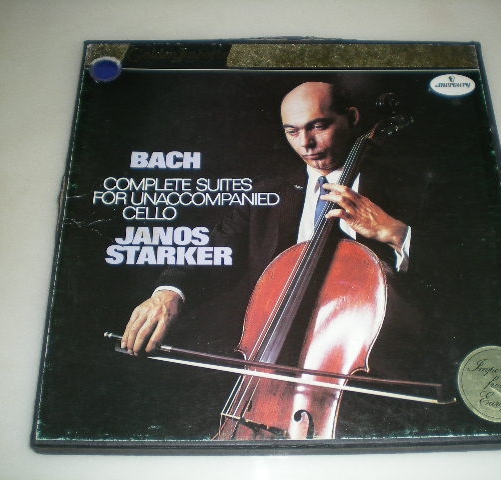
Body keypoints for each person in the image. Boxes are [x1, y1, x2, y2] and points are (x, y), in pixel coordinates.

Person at [121, 81, 447, 384]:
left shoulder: (413, 188)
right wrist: (168, 293)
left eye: (318, 126)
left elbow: (455, 277)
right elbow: (214, 248)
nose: (306, 144)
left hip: (370, 369)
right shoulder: (266, 193)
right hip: (273, 358)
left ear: (351, 118)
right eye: (292, 131)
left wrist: (396, 232)